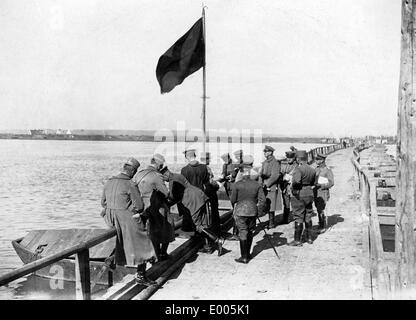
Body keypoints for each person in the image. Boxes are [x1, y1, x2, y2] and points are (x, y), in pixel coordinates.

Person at [101, 157, 156, 286]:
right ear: (132, 171)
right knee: (142, 239)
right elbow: (140, 207)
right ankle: (141, 276)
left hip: (110, 218)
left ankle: (114, 259)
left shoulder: (109, 181)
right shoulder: (130, 184)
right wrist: (130, 207)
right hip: (124, 218)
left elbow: (103, 202)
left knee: (122, 239)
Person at [160, 166, 224, 256]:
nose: (163, 180)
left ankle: (217, 240)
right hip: (199, 195)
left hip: (192, 200)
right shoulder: (178, 175)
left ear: (166, 174)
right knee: (203, 223)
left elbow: (173, 196)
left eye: (163, 177)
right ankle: (208, 247)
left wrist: (165, 202)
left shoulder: (172, 181)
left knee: (197, 225)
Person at [135, 154, 175, 262]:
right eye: (161, 165)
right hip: (157, 207)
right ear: (159, 164)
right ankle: (162, 253)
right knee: (168, 226)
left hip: (143, 207)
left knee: (151, 231)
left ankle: (155, 254)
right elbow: (166, 193)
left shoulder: (139, 174)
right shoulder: (157, 176)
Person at [230, 155, 266, 264]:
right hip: (252, 211)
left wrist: (235, 208)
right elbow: (262, 200)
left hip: (240, 211)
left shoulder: (237, 185)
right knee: (250, 231)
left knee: (242, 232)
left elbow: (233, 200)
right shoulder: (257, 184)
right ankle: (248, 254)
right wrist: (258, 211)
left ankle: (244, 257)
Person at [181, 149, 214, 252]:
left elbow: (182, 185)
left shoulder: (184, 170)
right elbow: (207, 182)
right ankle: (207, 245)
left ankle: (214, 240)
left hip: (191, 199)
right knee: (203, 221)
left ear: (187, 157)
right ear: (195, 155)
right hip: (202, 196)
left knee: (195, 221)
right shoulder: (204, 168)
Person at [287, 150, 317, 246]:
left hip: (299, 193)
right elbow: (314, 182)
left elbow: (296, 181)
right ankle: (309, 238)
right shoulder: (312, 169)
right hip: (309, 192)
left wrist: (292, 186)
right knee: (308, 215)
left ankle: (297, 240)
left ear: (298, 159)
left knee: (298, 216)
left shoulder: (298, 169)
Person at [259, 145, 282, 229]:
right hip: (264, 184)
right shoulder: (265, 162)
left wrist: (267, 184)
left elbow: (275, 176)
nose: (265, 153)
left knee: (271, 205)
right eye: (264, 152)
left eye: (266, 152)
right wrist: (261, 183)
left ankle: (271, 223)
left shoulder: (275, 162)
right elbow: (261, 174)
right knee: (265, 203)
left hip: (271, 186)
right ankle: (268, 221)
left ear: (271, 152)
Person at [201, 152, 221, 237]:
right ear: (206, 159)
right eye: (209, 158)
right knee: (214, 211)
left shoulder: (199, 168)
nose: (210, 160)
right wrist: (218, 185)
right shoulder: (206, 168)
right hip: (210, 192)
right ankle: (215, 230)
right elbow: (211, 182)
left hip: (202, 192)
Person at [313, 153, 334, 234]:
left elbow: (331, 182)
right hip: (315, 191)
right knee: (318, 208)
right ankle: (321, 223)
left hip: (323, 192)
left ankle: (322, 226)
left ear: (322, 160)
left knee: (320, 209)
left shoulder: (327, 170)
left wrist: (321, 185)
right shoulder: (316, 169)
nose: (316, 161)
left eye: (317, 159)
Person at [279, 151, 298, 224]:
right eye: (288, 157)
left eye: (291, 158)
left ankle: (297, 219)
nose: (289, 159)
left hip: (293, 187)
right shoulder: (283, 165)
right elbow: (281, 174)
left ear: (294, 158)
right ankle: (285, 219)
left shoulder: (297, 166)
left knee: (295, 203)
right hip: (285, 188)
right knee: (286, 204)